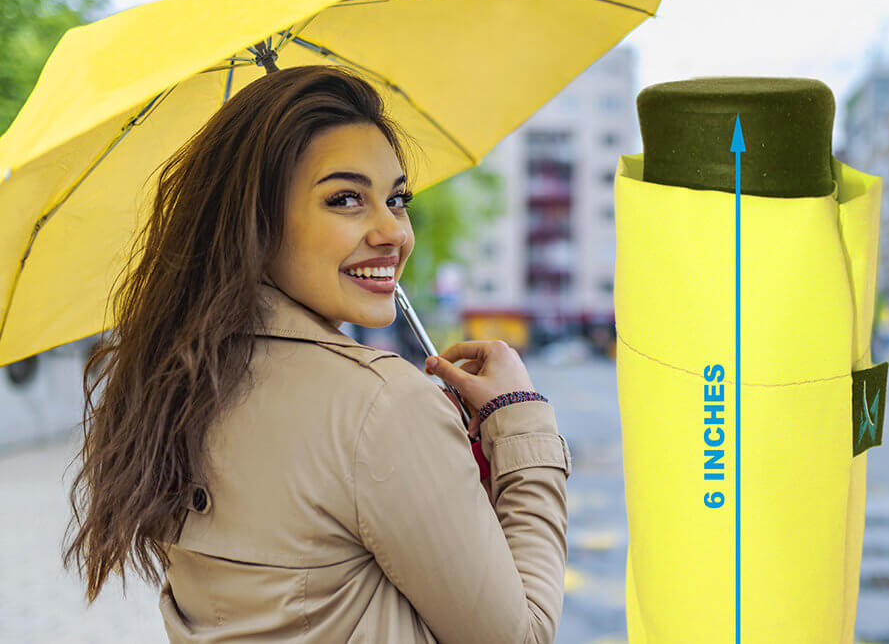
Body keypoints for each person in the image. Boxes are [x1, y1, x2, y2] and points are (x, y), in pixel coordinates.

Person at [62, 65, 571, 643]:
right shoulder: (381, 407)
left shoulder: (174, 386)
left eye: (397, 199)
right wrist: (520, 417)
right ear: (257, 220)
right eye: (347, 199)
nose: (394, 232)